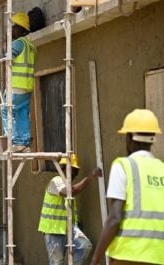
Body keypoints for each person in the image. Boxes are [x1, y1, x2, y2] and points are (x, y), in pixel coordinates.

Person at [90, 109, 164, 265]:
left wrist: (95, 259)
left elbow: (115, 218)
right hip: (159, 257)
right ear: (153, 139)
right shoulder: (162, 169)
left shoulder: (123, 166)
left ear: (129, 137)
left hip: (128, 256)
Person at [38, 154, 102, 265]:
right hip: (53, 230)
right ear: (63, 168)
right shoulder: (56, 181)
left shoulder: (69, 185)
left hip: (69, 228)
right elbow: (69, 192)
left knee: (85, 246)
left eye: (76, 171)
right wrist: (90, 177)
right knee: (57, 262)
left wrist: (76, 224)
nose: (75, 174)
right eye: (73, 170)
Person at [1, 12, 37, 152]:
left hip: (15, 86)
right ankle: (24, 143)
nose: (11, 29)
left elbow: (7, 57)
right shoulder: (31, 46)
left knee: (6, 110)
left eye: (14, 26)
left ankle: (13, 141)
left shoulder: (18, 43)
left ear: (22, 29)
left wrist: (5, 43)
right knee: (22, 113)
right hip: (26, 86)